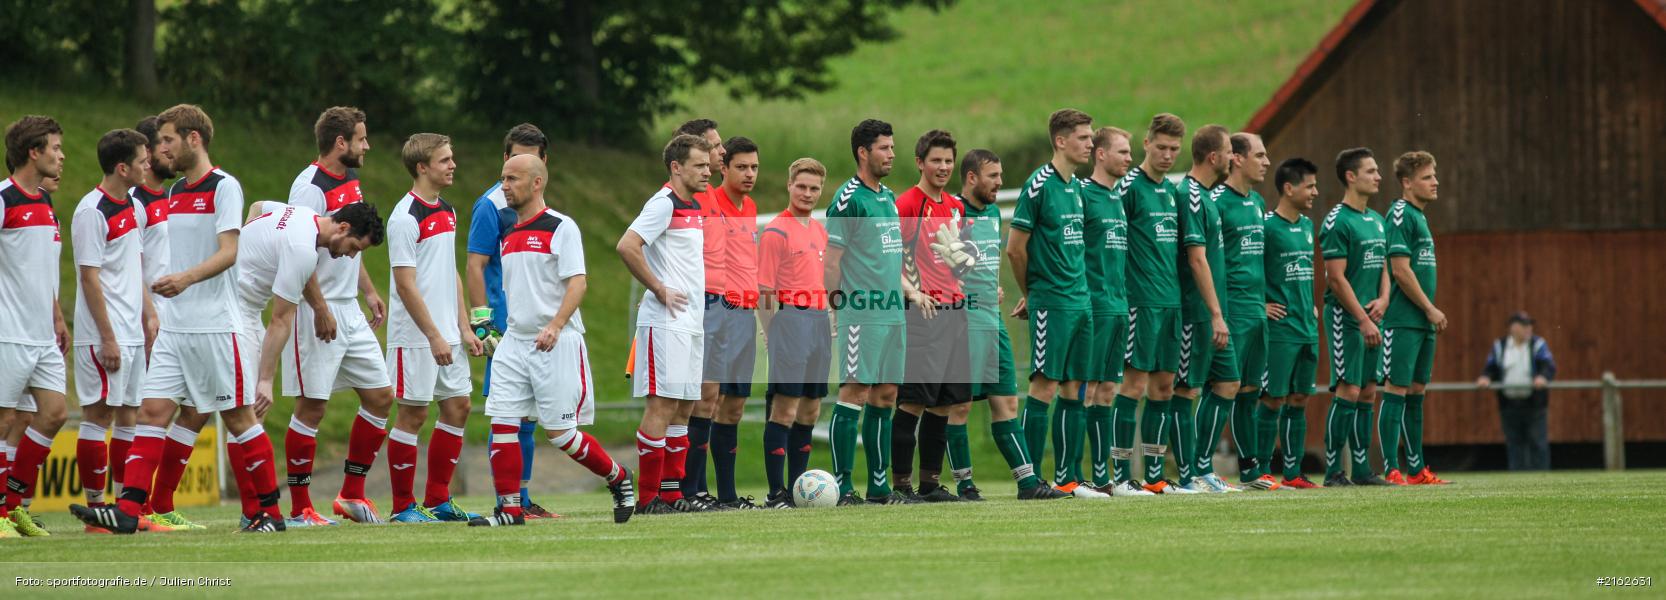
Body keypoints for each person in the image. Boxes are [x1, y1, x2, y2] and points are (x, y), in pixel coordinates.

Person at [474, 154, 636, 526]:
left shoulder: (562, 227)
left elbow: (577, 282)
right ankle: (510, 510)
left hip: (555, 343)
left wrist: (556, 325)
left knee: (561, 434)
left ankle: (618, 476)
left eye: (512, 179)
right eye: (502, 178)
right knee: (502, 422)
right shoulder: (509, 234)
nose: (504, 186)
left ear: (536, 183)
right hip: (515, 342)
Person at [232, 201, 383, 532]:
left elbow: (257, 207)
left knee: (235, 413)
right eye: (354, 248)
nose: (349, 257)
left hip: (242, 309)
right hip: (234, 312)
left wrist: (247, 245)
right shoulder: (303, 250)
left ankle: (253, 512)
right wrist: (266, 381)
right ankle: (259, 512)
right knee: (243, 411)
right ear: (342, 228)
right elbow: (281, 320)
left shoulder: (300, 215)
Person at [278, 106, 395, 526]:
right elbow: (298, 249)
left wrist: (368, 290)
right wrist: (320, 306)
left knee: (381, 397)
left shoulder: (351, 181)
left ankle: (351, 495)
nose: (368, 145)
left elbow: (351, 240)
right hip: (318, 310)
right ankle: (300, 508)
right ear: (341, 142)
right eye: (362, 139)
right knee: (312, 407)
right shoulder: (309, 187)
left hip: (348, 309)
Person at [382, 134, 485, 523]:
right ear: (422, 167)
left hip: (447, 333)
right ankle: (402, 508)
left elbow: (449, 272)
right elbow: (405, 283)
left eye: (452, 158)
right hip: (416, 337)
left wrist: (463, 326)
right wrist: (432, 335)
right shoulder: (404, 217)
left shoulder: (448, 210)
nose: (453, 165)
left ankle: (440, 500)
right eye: (444, 160)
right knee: (413, 415)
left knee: (458, 407)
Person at [1009, 109, 1106, 499]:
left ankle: (1068, 476)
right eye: (1084, 138)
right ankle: (1029, 480)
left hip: (1081, 301)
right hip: (1052, 302)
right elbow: (1015, 249)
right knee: (1045, 387)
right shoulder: (1039, 185)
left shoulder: (1076, 188)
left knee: (1075, 389)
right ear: (1061, 141)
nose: (1090, 144)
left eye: (1091, 137)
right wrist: (1033, 294)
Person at [960, 149, 1065, 501]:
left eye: (1001, 175)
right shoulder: (951, 212)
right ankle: (964, 485)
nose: (1000, 183)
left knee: (1006, 402)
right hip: (961, 322)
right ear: (972, 177)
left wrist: (994, 286)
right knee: (958, 406)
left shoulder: (991, 213)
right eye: (993, 176)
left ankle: (1028, 483)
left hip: (993, 321)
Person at [619, 134, 713, 514]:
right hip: (665, 323)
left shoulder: (691, 206)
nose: (708, 171)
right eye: (700, 165)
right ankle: (647, 498)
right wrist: (657, 288)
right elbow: (627, 245)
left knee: (686, 407)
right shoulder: (663, 203)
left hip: (690, 322)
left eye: (708, 165)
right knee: (663, 405)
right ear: (677, 167)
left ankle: (672, 494)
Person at [465, 123, 555, 518]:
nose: (520, 166)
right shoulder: (491, 205)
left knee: (530, 416)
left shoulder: (536, 202)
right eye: (515, 157)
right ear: (504, 158)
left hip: (534, 323)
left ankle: (523, 496)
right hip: (504, 326)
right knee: (507, 412)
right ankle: (507, 499)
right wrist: (483, 323)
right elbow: (475, 264)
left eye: (531, 159)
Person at [825, 119, 915, 505]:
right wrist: (836, 308)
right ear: (863, 152)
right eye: (884, 148)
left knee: (886, 395)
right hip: (861, 313)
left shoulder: (887, 197)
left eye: (893, 147)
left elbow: (892, 258)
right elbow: (831, 263)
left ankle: (878, 486)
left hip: (893, 313)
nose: (892, 154)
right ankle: (843, 486)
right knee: (854, 392)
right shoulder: (849, 199)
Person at [71, 130, 157, 527]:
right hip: (104, 333)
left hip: (132, 331)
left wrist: (148, 312)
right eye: (142, 159)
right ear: (122, 168)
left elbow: (132, 266)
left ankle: (124, 508)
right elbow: (89, 278)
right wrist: (107, 335)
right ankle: (95, 509)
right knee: (99, 415)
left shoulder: (136, 208)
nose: (148, 164)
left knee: (130, 415)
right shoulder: (92, 211)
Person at [893, 130, 975, 502]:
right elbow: (890, 260)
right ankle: (901, 485)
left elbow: (954, 261)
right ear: (920, 162)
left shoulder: (956, 207)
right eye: (936, 160)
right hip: (924, 312)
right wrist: (913, 292)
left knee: (945, 402)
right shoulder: (907, 204)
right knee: (913, 400)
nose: (943, 167)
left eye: (948, 160)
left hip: (955, 311)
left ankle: (930, 483)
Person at [1115, 113, 1193, 495]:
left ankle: (1155, 475)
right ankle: (1117, 473)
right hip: (1139, 302)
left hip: (1171, 302)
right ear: (1146, 144)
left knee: (1164, 388)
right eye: (1160, 147)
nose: (1167, 155)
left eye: (1174, 149)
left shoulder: (1172, 192)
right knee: (1132, 386)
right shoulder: (1129, 187)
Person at [0, 116, 71, 538]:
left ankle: (12, 507)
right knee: (4, 419)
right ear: (33, 152)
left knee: (54, 413)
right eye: (56, 148)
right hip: (9, 331)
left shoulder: (44, 202)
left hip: (43, 333)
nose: (61, 156)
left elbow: (40, 270)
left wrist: (58, 316)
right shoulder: (4, 199)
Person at [1078, 127, 1152, 497]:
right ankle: (1079, 475)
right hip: (1094, 306)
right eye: (1122, 152)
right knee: (1086, 389)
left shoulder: (1118, 199)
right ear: (1100, 155)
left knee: (1108, 390)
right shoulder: (1083, 196)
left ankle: (1107, 476)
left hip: (1120, 306)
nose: (1129, 158)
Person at [1206, 132, 1280, 491]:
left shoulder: (1257, 202)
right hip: (1229, 310)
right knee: (1224, 386)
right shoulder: (1217, 201)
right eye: (1260, 155)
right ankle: (1200, 465)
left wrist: (1263, 300)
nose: (1266, 162)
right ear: (1236, 158)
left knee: (1251, 389)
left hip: (1256, 312)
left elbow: (1256, 259)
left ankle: (1251, 469)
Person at [757, 158, 833, 508]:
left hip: (818, 323)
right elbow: (763, 290)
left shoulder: (818, 229)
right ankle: (776, 494)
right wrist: (774, 330)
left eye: (814, 188)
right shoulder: (775, 231)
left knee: (811, 411)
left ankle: (799, 491)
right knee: (784, 409)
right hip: (790, 322)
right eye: (801, 186)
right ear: (789, 185)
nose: (807, 193)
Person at [1320, 147, 1393, 487]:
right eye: (1371, 170)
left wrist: (1384, 299)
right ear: (1351, 176)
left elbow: (1384, 268)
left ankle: (1362, 469)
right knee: (1347, 390)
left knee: (1367, 391)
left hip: (1373, 317)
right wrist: (1362, 319)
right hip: (1346, 319)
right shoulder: (1337, 221)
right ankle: (1334, 470)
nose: (1378, 176)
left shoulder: (1377, 221)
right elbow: (1336, 278)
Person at [1173, 124, 1239, 494]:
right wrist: (1215, 313)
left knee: (1228, 382)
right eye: (1230, 151)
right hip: (1196, 312)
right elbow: (1197, 260)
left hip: (1215, 313)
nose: (1234, 158)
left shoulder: (1208, 197)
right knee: (1186, 390)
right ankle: (1187, 474)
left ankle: (1201, 465)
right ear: (1214, 157)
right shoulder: (1190, 195)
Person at [698, 135, 763, 510]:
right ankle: (696, 490)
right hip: (717, 309)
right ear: (723, 168)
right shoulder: (710, 200)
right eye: (741, 166)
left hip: (745, 313)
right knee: (709, 399)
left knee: (734, 404)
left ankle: (727, 494)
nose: (749, 173)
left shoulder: (750, 206)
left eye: (754, 167)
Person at [1378, 150, 1451, 485]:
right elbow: (1400, 270)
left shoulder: (1420, 216)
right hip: (1402, 320)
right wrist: (1429, 307)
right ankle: (1391, 466)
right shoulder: (1399, 214)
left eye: (1434, 176)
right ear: (1407, 183)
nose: (1435, 182)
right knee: (1396, 389)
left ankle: (1417, 468)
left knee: (1417, 390)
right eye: (1427, 177)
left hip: (1421, 323)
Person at [1262, 158, 1323, 489]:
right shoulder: (1267, 226)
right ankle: (1258, 469)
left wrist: (1311, 305)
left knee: (1300, 398)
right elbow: (1249, 268)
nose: (1315, 191)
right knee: (1272, 398)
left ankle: (1293, 472)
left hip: (1306, 328)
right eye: (1310, 185)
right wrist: (1260, 303)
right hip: (1280, 330)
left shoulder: (1306, 225)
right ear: (1289, 188)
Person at [678, 118, 727, 509]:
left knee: (710, 399)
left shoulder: (711, 195)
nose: (720, 153)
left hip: (722, 303)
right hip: (700, 304)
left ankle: (698, 489)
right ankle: (684, 488)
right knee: (694, 398)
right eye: (714, 146)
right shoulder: (683, 199)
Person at [1478, 312, 1554, 471]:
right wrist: (1485, 377)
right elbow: (1491, 367)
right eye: (1524, 325)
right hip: (1509, 403)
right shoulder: (1500, 346)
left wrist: (1542, 377)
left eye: (1529, 325)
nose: (1528, 329)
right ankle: (1517, 477)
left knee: (1537, 442)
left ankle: (1543, 478)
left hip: (1534, 403)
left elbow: (1548, 365)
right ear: (1513, 328)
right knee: (1514, 443)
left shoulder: (1537, 344)